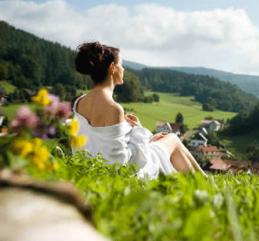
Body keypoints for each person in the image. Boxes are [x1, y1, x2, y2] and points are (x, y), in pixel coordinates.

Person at [73, 41, 207, 179]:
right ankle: (204, 183)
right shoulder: (114, 109)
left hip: (94, 168)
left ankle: (204, 182)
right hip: (126, 175)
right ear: (112, 68)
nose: (123, 69)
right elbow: (119, 163)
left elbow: (99, 145)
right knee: (172, 138)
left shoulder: (79, 103)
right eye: (121, 65)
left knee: (168, 139)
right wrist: (139, 132)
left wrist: (142, 135)